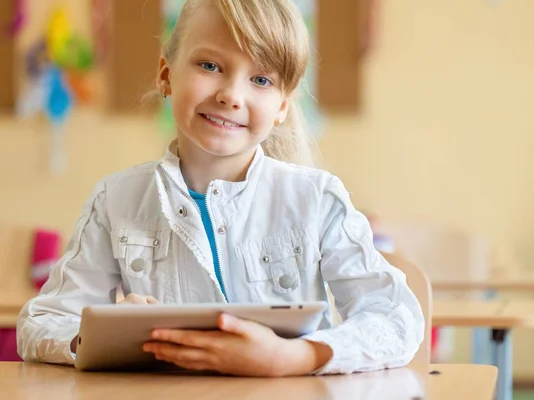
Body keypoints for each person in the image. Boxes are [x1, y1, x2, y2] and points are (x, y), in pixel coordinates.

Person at [17, 0, 424, 376]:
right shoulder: (116, 200)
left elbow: (395, 320)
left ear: (282, 107)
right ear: (166, 75)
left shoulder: (317, 200)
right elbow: (40, 324)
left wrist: (294, 357)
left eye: (261, 79)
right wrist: (104, 335)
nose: (232, 95)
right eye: (210, 66)